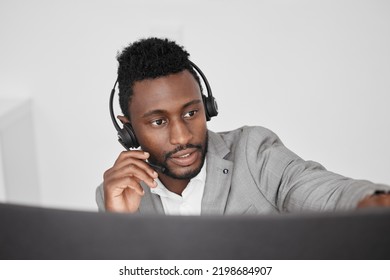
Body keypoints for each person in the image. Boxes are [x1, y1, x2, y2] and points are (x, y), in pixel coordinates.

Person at [96, 37, 390, 215]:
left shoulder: (254, 153)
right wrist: (120, 225)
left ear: (208, 107)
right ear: (128, 130)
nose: (182, 136)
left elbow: (329, 194)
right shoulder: (116, 194)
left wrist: (373, 203)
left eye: (190, 113)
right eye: (159, 122)